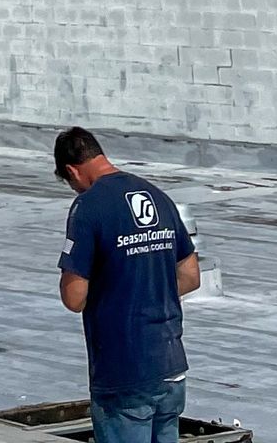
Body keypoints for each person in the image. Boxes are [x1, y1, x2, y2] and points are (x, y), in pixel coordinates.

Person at [54, 125, 200, 443]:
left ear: (72, 171)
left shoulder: (88, 207)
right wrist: (146, 288)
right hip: (171, 367)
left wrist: (118, 290)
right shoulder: (158, 197)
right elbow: (190, 276)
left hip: (125, 371)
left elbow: (74, 296)